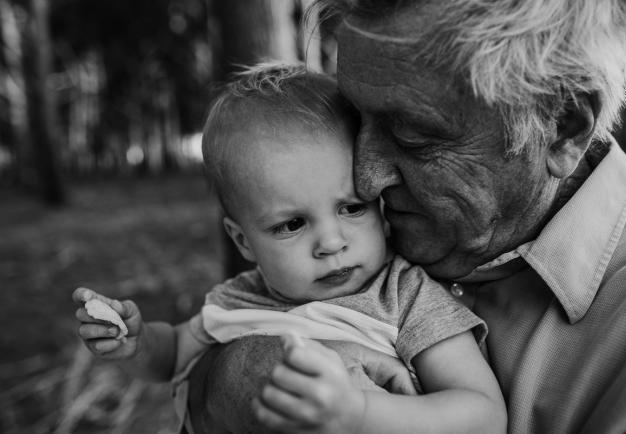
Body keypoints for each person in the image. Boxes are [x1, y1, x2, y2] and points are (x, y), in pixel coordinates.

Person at [187, 1, 626, 433]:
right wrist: (238, 372)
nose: (365, 181)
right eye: (356, 123)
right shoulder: (359, 240)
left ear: (563, 127)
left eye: (413, 137)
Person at [73, 64, 506, 434]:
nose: (332, 242)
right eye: (293, 224)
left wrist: (361, 413)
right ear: (242, 240)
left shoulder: (405, 297)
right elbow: (172, 357)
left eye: (352, 207)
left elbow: (484, 415)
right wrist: (138, 343)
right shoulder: (237, 299)